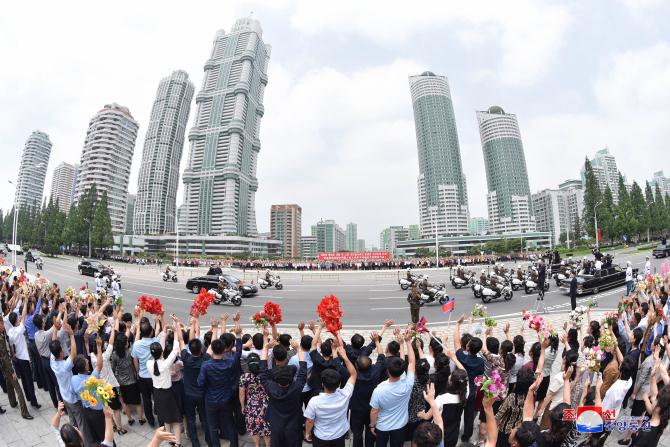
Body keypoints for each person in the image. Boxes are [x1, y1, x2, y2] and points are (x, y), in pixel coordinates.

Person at [198, 315, 243, 447]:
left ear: (212, 350)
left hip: (210, 400)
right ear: (224, 350)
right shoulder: (229, 363)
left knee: (212, 427)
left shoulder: (206, 365)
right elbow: (239, 352)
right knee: (229, 424)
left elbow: (200, 383)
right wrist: (238, 336)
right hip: (226, 398)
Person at [304, 336, 357, 446]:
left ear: (323, 383)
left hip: (321, 437)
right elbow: (353, 374)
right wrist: (343, 356)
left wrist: (308, 433)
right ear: (339, 383)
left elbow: (309, 421)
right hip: (339, 435)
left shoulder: (314, 401)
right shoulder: (345, 394)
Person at [369, 329, 416, 447]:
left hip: (382, 426)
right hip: (400, 425)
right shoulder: (407, 383)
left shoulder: (379, 390)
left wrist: (372, 425)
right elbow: (411, 362)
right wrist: (407, 342)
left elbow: (374, 411)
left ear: (388, 371)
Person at [260, 337, 308, 447]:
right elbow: (303, 370)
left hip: (276, 423)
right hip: (293, 424)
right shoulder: (296, 387)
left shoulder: (271, 387)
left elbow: (262, 370)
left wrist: (266, 348)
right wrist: (299, 349)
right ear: (291, 379)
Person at [147, 315, 183, 446]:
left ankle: (169, 440)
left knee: (166, 418)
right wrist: (173, 330)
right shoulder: (165, 363)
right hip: (168, 394)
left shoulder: (149, 364)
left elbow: (158, 352)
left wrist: (164, 332)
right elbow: (175, 349)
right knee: (176, 420)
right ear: (161, 352)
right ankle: (178, 443)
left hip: (157, 394)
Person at [350, 332, 385, 447]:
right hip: (371, 408)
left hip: (357, 410)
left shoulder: (353, 376)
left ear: (356, 366)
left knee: (357, 434)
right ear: (371, 364)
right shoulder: (376, 371)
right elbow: (381, 356)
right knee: (371, 432)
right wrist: (377, 341)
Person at [181, 320, 213, 447]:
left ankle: (195, 442)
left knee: (190, 418)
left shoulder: (186, 358)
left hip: (188, 394)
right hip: (201, 393)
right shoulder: (205, 359)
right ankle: (209, 440)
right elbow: (211, 345)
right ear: (201, 350)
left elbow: (181, 341)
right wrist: (215, 328)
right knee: (204, 418)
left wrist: (178, 325)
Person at [453, 315, 484, 443]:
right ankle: (467, 435)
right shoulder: (480, 361)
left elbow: (455, 342)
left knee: (455, 415)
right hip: (471, 392)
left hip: (458, 391)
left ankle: (454, 433)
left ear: (467, 347)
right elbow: (480, 377)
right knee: (469, 415)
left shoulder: (460, 356)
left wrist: (457, 324)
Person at [131, 312, 165, 427]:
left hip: (143, 376)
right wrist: (157, 320)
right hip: (155, 376)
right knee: (158, 399)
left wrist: (137, 372)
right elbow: (161, 331)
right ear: (151, 332)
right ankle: (161, 421)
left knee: (146, 400)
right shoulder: (156, 341)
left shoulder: (136, 344)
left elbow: (135, 360)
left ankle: (150, 421)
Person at [7, 298, 41, 409]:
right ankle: (34, 402)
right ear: (16, 321)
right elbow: (24, 314)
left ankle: (28, 397)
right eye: (18, 318)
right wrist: (25, 302)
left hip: (17, 359)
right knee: (29, 381)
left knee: (25, 381)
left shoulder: (10, 331)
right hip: (23, 359)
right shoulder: (19, 330)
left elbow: (11, 346)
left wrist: (13, 356)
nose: (20, 318)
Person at [71, 336, 105, 445]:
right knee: (104, 434)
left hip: (85, 410)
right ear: (86, 368)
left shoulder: (74, 379)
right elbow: (99, 365)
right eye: (87, 363)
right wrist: (99, 347)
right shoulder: (91, 379)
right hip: (97, 411)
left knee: (93, 435)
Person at [0, 316, 32, 419]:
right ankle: (24, 412)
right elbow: (5, 358)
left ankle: (12, 402)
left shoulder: (2, 334)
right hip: (7, 366)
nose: (3, 325)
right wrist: (12, 371)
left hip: (4, 366)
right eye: (1, 324)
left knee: (9, 384)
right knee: (18, 389)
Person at [239, 352, 271, 447]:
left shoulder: (244, 377)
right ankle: (267, 445)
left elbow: (241, 394)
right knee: (267, 427)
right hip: (266, 404)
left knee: (253, 427)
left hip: (252, 405)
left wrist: (242, 406)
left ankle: (257, 445)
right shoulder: (266, 374)